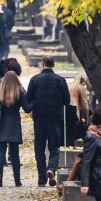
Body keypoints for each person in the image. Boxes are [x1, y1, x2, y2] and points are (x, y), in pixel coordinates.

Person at [26, 56, 70, 187]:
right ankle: (51, 168)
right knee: (54, 148)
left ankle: (41, 178)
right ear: (53, 64)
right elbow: (67, 101)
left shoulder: (35, 80)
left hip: (39, 118)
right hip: (55, 118)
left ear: (43, 63)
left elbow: (28, 98)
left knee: (39, 148)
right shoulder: (60, 80)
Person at [0, 70, 31, 187]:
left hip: (1, 123)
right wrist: (34, 102)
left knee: (0, 152)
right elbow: (27, 109)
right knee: (14, 154)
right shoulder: (20, 92)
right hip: (13, 123)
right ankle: (17, 180)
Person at [66, 75, 90, 146]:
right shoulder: (80, 87)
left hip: (63, 110)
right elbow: (85, 106)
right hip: (74, 110)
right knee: (72, 132)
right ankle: (70, 146)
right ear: (82, 82)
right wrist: (86, 118)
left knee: (66, 131)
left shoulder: (67, 85)